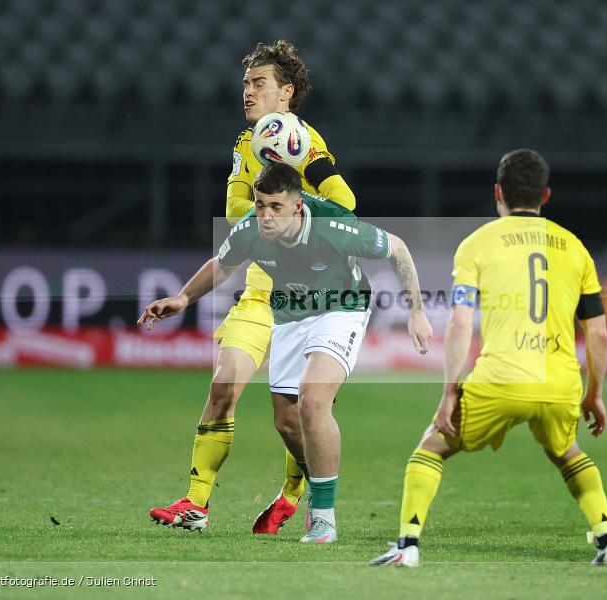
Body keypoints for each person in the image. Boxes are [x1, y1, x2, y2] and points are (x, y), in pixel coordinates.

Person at [140, 163, 433, 543]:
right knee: (287, 422)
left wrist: (416, 310)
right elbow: (222, 265)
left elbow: (397, 248)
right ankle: (312, 482)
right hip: (290, 315)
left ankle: (323, 518)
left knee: (313, 399)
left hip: (341, 309)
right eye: (260, 205)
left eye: (275, 207)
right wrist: (182, 297)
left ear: (297, 206)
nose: (265, 215)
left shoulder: (333, 226)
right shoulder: (251, 228)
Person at [369, 149, 607, 567]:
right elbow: (597, 332)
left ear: (498, 193)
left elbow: (459, 323)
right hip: (559, 380)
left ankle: (408, 546)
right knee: (568, 452)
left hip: (501, 377)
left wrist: (449, 391)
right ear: (545, 194)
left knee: (431, 448)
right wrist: (595, 393)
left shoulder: (477, 244)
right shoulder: (575, 248)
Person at [149, 40, 357, 534]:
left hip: (307, 298)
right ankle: (196, 504)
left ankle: (296, 496)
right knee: (223, 386)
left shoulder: (306, 145)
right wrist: (272, 210)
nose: (247, 92)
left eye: (258, 83)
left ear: (285, 93)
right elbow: (234, 214)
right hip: (260, 290)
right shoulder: (246, 147)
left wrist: (294, 205)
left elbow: (345, 201)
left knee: (292, 419)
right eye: (246, 83)